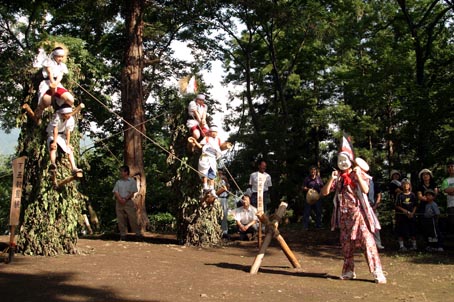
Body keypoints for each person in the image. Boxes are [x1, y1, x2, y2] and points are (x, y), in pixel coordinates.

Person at [320, 152, 386, 284]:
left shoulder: (358, 173)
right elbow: (324, 192)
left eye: (345, 160)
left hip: (358, 214)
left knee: (368, 243)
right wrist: (331, 179)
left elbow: (366, 190)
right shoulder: (338, 177)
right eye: (340, 160)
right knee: (346, 245)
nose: (343, 163)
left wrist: (358, 175)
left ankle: (377, 271)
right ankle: (348, 271)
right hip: (344, 216)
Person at [35, 47, 75, 120]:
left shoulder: (62, 65)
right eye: (59, 56)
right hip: (47, 83)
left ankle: (62, 111)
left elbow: (60, 76)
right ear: (54, 56)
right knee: (45, 102)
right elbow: (50, 73)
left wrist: (56, 84)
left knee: (70, 99)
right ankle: (39, 110)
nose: (60, 58)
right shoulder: (48, 62)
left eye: (62, 57)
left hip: (57, 84)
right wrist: (53, 84)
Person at [46, 105, 82, 174]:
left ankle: (74, 167)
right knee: (53, 147)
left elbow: (68, 132)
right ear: (62, 114)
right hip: (52, 134)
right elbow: (55, 130)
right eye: (67, 114)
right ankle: (53, 163)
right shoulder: (57, 117)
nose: (68, 116)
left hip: (62, 136)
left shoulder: (70, 119)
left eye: (69, 114)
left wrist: (68, 144)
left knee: (69, 150)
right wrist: (54, 142)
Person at [113, 165, 141, 241]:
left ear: (126, 172)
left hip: (128, 202)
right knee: (120, 218)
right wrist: (120, 199)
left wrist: (125, 199)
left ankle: (137, 234)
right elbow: (115, 191)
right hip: (119, 202)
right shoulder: (118, 182)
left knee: (133, 218)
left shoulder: (132, 181)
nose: (120, 173)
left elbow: (133, 192)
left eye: (122, 171)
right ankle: (123, 235)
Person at [197, 125, 224, 197]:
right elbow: (201, 146)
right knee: (204, 172)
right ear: (209, 132)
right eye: (213, 132)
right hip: (205, 157)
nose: (214, 133)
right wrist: (195, 142)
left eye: (215, 132)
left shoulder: (218, 140)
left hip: (213, 158)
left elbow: (219, 148)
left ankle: (212, 189)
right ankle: (205, 186)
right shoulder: (206, 139)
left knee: (212, 174)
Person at [395, 178, 418, 251]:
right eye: (404, 184)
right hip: (401, 216)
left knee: (413, 230)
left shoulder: (413, 195)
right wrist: (405, 211)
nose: (405, 186)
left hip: (411, 216)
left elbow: (415, 205)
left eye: (407, 184)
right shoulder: (399, 195)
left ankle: (414, 246)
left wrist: (412, 213)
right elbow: (397, 205)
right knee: (400, 231)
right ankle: (402, 246)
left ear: (410, 185)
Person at [440, 161, 454, 235]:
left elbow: (450, 191)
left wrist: (451, 189)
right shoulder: (446, 180)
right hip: (451, 205)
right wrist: (449, 191)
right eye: (449, 167)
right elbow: (446, 190)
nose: (450, 168)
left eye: (452, 166)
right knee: (452, 223)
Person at [217, 170, 231, 238]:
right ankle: (217, 230)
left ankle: (225, 231)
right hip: (217, 198)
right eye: (219, 173)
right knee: (218, 215)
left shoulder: (224, 181)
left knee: (224, 215)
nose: (220, 174)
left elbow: (227, 189)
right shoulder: (215, 181)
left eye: (221, 173)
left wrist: (226, 180)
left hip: (224, 198)